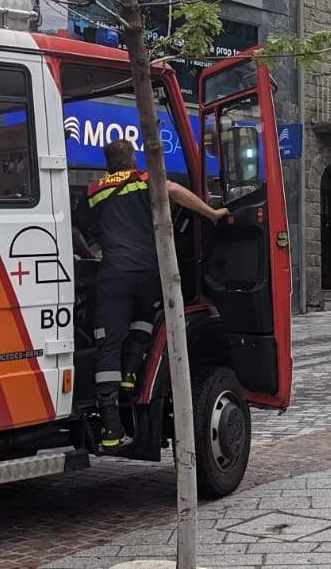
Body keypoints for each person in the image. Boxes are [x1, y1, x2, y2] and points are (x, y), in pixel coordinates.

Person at [84, 138, 227, 447]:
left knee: (109, 343)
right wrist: (211, 214)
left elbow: (78, 229)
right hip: (149, 272)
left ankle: (111, 428)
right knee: (147, 316)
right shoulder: (143, 179)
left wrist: (86, 254)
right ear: (132, 159)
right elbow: (175, 192)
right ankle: (132, 372)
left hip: (114, 274)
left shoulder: (94, 191)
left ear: (108, 163)